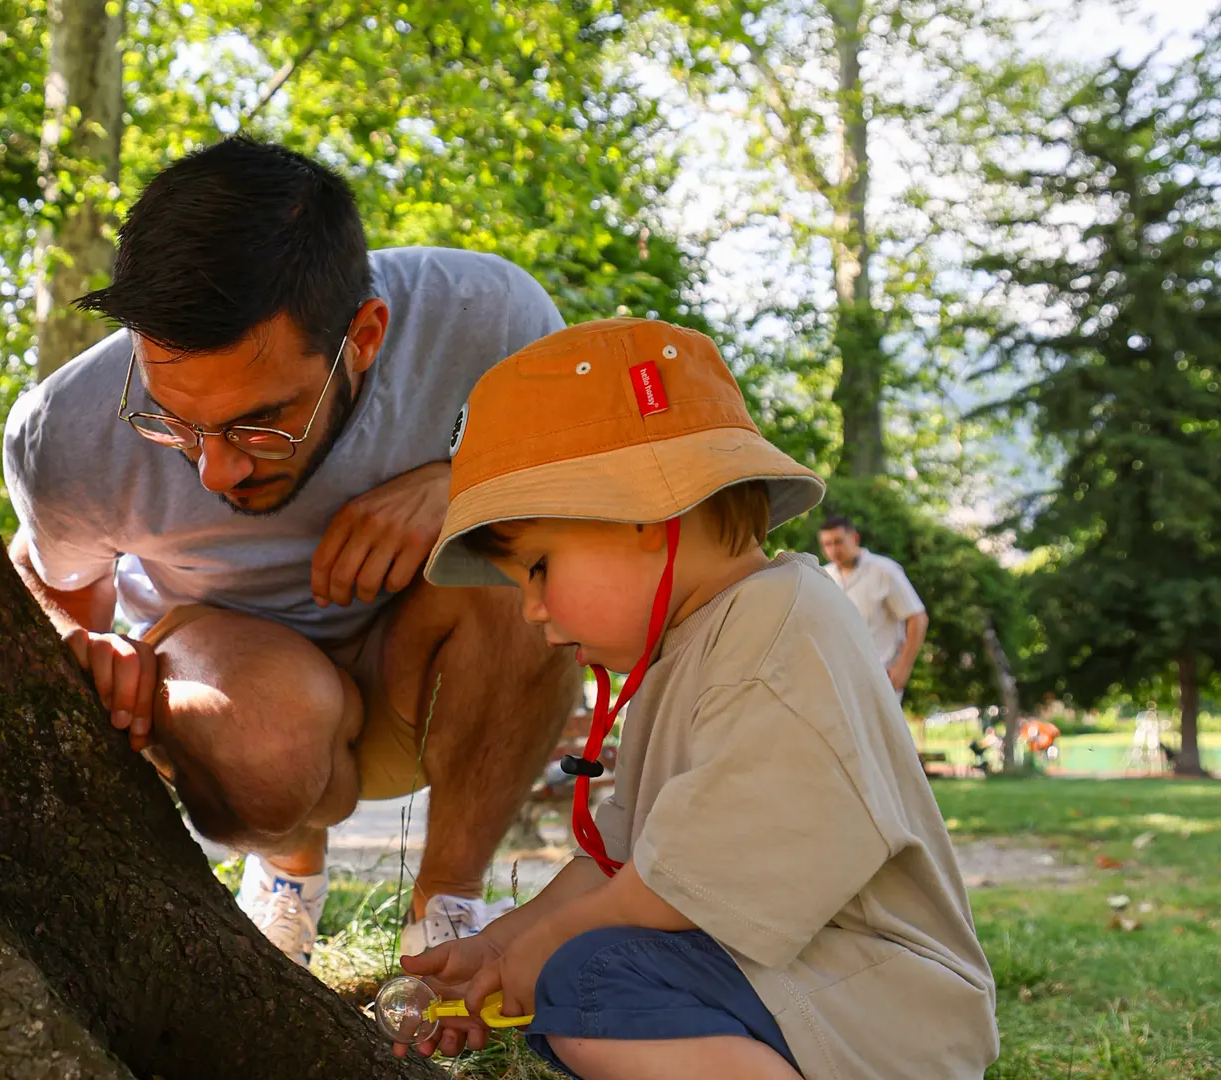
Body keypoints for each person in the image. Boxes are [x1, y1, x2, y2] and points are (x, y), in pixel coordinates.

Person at [2, 137, 579, 965]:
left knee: (520, 570)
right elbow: (55, 594)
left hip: (420, 664)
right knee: (273, 743)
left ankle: (445, 921)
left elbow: (587, 484)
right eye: (173, 421)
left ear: (366, 335)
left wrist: (465, 485)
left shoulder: (486, 319)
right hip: (233, 689)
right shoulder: (65, 431)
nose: (216, 467)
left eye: (261, 423)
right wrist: (79, 650)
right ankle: (286, 871)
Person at [396, 319, 999, 1079]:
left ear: (645, 511)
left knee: (588, 980)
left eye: (539, 568)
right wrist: (502, 943)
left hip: (877, 1006)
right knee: (585, 970)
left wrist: (547, 948)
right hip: (799, 985)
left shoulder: (782, 630)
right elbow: (620, 863)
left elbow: (673, 889)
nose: (532, 612)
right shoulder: (690, 648)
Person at [817, 517, 929, 696]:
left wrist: (904, 667)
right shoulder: (822, 576)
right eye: (827, 544)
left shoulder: (884, 571)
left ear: (854, 538)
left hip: (880, 679)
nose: (833, 550)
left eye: (838, 542)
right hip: (838, 681)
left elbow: (917, 617)